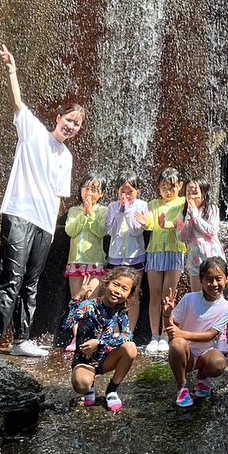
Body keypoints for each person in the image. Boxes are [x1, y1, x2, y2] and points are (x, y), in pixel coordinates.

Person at [0, 44, 84, 357]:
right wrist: (12, 70)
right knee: (10, 280)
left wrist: (53, 230)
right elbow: (17, 103)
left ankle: (22, 341)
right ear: (58, 117)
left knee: (31, 282)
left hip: (43, 223)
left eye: (76, 124)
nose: (70, 126)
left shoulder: (66, 156)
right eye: (68, 119)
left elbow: (58, 194)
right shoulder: (33, 131)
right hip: (19, 214)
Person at [64, 266, 139, 413]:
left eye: (124, 289)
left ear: (129, 295)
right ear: (106, 283)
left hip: (105, 360)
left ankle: (112, 390)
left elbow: (127, 336)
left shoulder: (121, 313)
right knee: (81, 384)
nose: (118, 291)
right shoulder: (89, 306)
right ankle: (89, 388)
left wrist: (100, 343)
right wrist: (77, 298)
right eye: (115, 284)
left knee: (130, 348)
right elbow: (66, 324)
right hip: (84, 362)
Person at [165, 256, 228, 407]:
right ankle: (182, 387)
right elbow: (171, 330)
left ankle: (202, 378)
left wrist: (181, 333)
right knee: (177, 344)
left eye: (219, 278)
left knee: (219, 363)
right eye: (209, 279)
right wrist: (166, 314)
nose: (214, 284)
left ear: (226, 279)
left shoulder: (227, 308)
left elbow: (210, 335)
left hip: (206, 354)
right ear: (201, 280)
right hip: (186, 355)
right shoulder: (189, 299)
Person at [63, 174, 109, 352]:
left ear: (101, 194)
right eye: (86, 187)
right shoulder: (74, 211)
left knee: (91, 301)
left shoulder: (104, 211)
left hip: (94, 261)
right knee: (76, 300)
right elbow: (70, 231)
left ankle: (90, 336)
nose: (89, 192)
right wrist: (83, 214)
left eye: (94, 189)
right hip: (75, 261)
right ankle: (76, 337)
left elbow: (101, 232)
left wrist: (90, 215)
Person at [143, 168, 186, 355]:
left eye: (171, 187)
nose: (167, 192)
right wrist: (145, 223)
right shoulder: (153, 204)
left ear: (180, 186)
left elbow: (183, 225)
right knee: (155, 295)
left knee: (169, 297)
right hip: (155, 251)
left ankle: (166, 333)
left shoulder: (183, 203)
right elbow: (151, 224)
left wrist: (170, 224)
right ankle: (154, 336)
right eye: (163, 187)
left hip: (175, 251)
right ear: (158, 187)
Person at [107, 174, 148, 330]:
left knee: (133, 295)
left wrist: (128, 212)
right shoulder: (112, 207)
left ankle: (129, 330)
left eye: (130, 191)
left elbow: (137, 231)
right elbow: (111, 231)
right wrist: (120, 212)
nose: (126, 195)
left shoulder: (142, 206)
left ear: (137, 190)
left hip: (135, 257)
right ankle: (114, 329)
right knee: (114, 294)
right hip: (116, 257)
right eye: (122, 191)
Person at [175, 178, 224, 292]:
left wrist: (196, 215)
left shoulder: (212, 209)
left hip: (213, 257)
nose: (191, 196)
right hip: (195, 259)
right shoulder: (182, 213)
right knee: (196, 295)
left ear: (204, 193)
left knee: (215, 294)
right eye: (188, 193)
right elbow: (182, 237)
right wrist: (189, 215)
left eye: (195, 193)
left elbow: (211, 230)